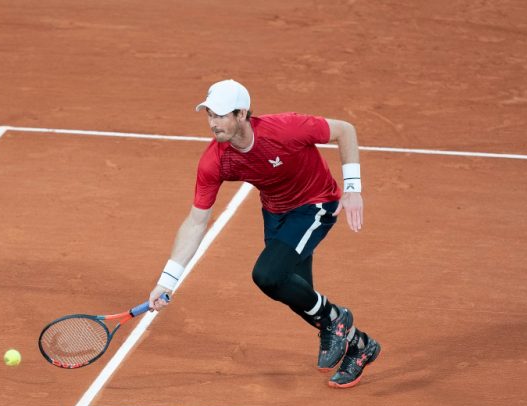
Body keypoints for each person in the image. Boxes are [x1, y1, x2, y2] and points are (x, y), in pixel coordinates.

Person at [148, 79, 380, 388]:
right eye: (209, 115)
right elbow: (196, 221)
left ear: (241, 114)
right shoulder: (215, 160)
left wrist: (353, 189)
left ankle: (337, 320)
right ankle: (360, 346)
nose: (213, 124)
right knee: (295, 290)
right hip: (275, 212)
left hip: (315, 203)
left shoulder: (285, 129)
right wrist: (167, 281)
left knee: (268, 275)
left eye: (220, 115)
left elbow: (345, 130)